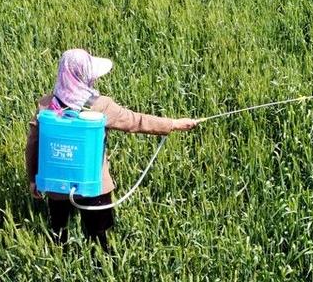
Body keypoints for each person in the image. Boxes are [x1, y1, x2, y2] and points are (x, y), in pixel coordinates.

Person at [25, 48, 198, 252]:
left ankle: (60, 262)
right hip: (94, 186)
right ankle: (103, 267)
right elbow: (136, 121)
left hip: (57, 187)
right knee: (100, 238)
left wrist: (33, 179)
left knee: (58, 233)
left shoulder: (46, 106)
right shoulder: (100, 106)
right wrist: (173, 124)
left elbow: (32, 145)